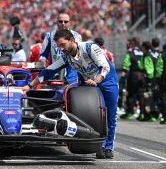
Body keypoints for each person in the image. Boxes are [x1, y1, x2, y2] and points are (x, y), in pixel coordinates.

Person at [23, 29, 118, 159]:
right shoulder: (66, 57)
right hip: (90, 82)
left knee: (110, 114)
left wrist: (96, 80)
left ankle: (108, 146)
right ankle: (97, 143)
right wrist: (28, 86)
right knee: (94, 112)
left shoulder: (90, 47)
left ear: (72, 41)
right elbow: (48, 71)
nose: (61, 49)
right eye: (58, 46)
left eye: (63, 45)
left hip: (107, 81)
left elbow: (105, 67)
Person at [40, 12, 82, 84]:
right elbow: (43, 55)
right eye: (60, 21)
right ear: (57, 22)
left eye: (65, 21)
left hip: (71, 77)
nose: (63, 23)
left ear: (69, 23)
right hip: (54, 76)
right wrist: (43, 64)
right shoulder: (49, 36)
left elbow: (78, 55)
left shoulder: (76, 36)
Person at [119, 37, 144, 120]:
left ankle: (130, 113)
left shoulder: (130, 51)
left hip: (133, 75)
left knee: (131, 94)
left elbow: (126, 63)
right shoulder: (142, 51)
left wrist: (123, 74)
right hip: (142, 75)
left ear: (133, 42)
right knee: (140, 95)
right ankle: (142, 113)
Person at [138, 40, 163, 122]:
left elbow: (150, 70)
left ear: (144, 47)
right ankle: (150, 114)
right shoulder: (152, 53)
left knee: (148, 97)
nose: (140, 48)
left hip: (150, 79)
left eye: (142, 46)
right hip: (154, 78)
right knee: (151, 97)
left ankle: (151, 114)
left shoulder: (147, 55)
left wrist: (149, 80)